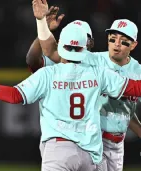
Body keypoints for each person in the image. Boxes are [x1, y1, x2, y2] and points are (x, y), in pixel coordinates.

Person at [0, 23, 141, 171]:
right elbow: (135, 88)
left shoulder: (48, 74)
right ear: (85, 48)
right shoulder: (99, 73)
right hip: (91, 153)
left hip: (59, 151)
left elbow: (14, 96)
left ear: (61, 46)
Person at [31, 0, 141, 170]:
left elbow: (126, 110)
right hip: (93, 140)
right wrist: (41, 24)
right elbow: (51, 51)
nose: (117, 44)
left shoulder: (137, 70)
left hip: (118, 145)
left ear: (133, 45)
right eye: (113, 38)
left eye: (124, 40)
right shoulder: (92, 60)